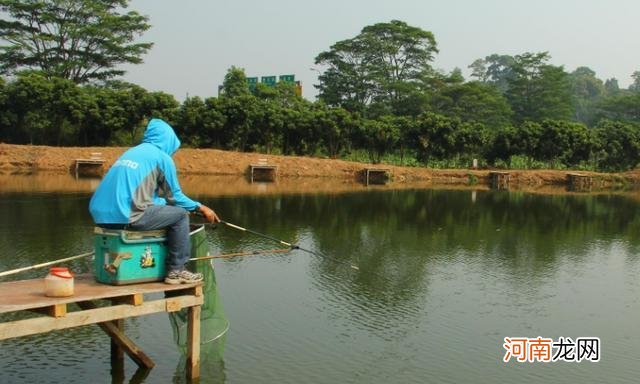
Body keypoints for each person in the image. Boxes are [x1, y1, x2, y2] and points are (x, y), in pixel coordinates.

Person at [89, 118, 219, 284]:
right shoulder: (161, 158)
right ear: (169, 141)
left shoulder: (131, 152)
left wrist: (166, 204)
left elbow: (147, 197)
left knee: (171, 211)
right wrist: (201, 208)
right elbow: (175, 197)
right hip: (126, 215)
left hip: (101, 217)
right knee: (180, 215)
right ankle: (176, 271)